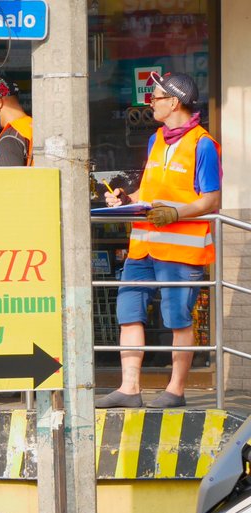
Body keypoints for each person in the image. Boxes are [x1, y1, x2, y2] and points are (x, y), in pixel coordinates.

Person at [99, 71, 222, 409]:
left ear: (175, 102)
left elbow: (212, 199)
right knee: (128, 313)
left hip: (180, 252)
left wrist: (175, 213)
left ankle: (175, 390)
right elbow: (148, 191)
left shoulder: (202, 144)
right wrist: (126, 199)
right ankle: (129, 388)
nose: (150, 102)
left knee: (178, 320)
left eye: (155, 97)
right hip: (143, 247)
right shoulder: (156, 139)